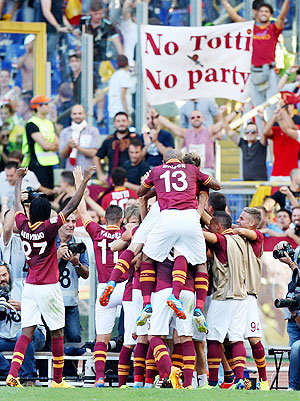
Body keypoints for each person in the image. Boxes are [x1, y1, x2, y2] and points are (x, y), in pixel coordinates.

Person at [5, 164, 95, 388]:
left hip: (30, 287)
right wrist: (84, 181)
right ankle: (57, 380)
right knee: (57, 331)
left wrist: (18, 180)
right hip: (48, 286)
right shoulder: (48, 228)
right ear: (47, 214)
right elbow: (71, 205)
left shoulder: (23, 226)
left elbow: (17, 205)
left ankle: (12, 374)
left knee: (26, 332)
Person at [73, 170, 126, 388]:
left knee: (101, 338)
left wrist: (80, 181)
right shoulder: (126, 233)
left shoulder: (97, 231)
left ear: (104, 219)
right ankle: (130, 379)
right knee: (136, 338)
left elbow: (82, 211)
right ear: (121, 220)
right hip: (125, 287)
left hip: (105, 288)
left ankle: (100, 378)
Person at [221, 0, 290, 129]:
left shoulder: (273, 29)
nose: (264, 13)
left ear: (270, 14)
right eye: (261, 11)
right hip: (253, 72)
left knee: (272, 106)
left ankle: (271, 139)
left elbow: (282, 16)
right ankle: (260, 137)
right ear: (256, 13)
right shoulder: (251, 28)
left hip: (269, 71)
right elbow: (235, 17)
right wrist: (224, 2)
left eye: (266, 11)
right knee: (257, 108)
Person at [202, 211, 248, 390]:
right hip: (241, 296)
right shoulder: (241, 241)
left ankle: (212, 383)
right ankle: (239, 380)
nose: (209, 228)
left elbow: (201, 234)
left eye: (212, 226)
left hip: (224, 295)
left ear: (218, 227)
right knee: (237, 338)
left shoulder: (222, 240)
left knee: (213, 338)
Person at [234, 207, 270, 390]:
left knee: (253, 338)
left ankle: (263, 380)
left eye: (242, 218)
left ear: (252, 224)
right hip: (232, 295)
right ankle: (238, 380)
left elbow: (241, 230)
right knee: (231, 338)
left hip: (247, 295)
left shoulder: (257, 237)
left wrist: (233, 228)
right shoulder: (236, 237)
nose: (238, 220)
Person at [0, 261, 45, 384]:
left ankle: (30, 378)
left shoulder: (25, 286)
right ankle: (12, 373)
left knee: (23, 334)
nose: (2, 279)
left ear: (9, 274)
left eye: (4, 275)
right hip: (7, 338)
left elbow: (42, 308)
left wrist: (22, 306)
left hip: (35, 334)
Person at [155, 106, 231, 175]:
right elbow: (169, 125)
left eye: (198, 116)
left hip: (206, 170)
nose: (196, 119)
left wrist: (236, 111)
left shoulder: (209, 131)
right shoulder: (186, 133)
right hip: (190, 170)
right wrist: (156, 115)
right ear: (190, 121)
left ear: (202, 119)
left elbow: (223, 123)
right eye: (193, 117)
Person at [56, 213, 89, 342]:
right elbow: (40, 268)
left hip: (71, 302)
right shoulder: (49, 242)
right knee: (52, 340)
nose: (71, 225)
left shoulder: (79, 244)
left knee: (75, 338)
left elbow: (86, 274)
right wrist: (57, 255)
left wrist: (77, 263)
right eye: (67, 221)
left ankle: (71, 364)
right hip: (52, 300)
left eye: (74, 221)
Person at [273, 241, 300, 391]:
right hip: (294, 305)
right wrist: (285, 246)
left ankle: (293, 386)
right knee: (294, 353)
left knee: (296, 348)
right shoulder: (298, 250)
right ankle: (294, 387)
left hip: (295, 309)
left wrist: (291, 264)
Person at [22, 95, 59, 190]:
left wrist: (50, 145)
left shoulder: (49, 123)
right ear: (38, 107)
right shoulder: (31, 123)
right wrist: (51, 145)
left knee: (49, 194)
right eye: (45, 104)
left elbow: (58, 144)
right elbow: (45, 146)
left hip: (49, 164)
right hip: (37, 164)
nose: (48, 106)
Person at [95, 111, 137, 183]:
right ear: (114, 123)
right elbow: (96, 157)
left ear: (128, 122)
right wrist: (100, 174)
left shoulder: (135, 138)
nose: (121, 123)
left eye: (123, 121)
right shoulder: (109, 140)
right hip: (113, 180)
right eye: (118, 121)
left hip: (132, 179)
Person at [262, 102, 300, 181]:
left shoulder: (296, 130)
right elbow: (265, 132)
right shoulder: (276, 130)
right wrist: (275, 115)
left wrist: (282, 111)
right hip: (276, 173)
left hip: (292, 174)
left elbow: (290, 127)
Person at [59, 104, 101, 171]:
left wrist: (77, 147)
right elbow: (62, 155)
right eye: (74, 114)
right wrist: (68, 146)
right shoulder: (65, 132)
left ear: (84, 114)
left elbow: (94, 153)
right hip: (71, 172)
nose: (77, 116)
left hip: (88, 173)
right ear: (71, 115)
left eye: (80, 113)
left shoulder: (93, 131)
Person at [108, 55, 134, 132]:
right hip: (121, 111)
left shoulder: (114, 76)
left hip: (112, 110)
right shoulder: (125, 75)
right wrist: (127, 114)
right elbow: (123, 96)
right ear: (127, 63)